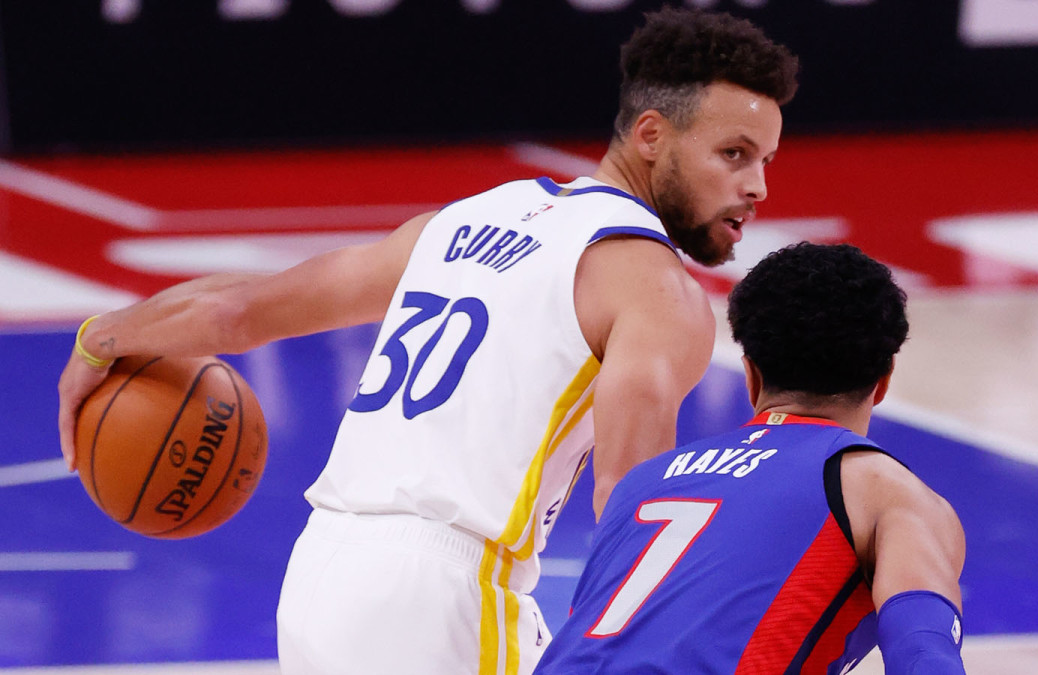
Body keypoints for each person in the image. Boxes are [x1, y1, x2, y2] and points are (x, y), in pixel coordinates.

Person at [56, 8, 800, 675]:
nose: (759, 184)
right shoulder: (658, 291)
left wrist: (101, 340)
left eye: (766, 158)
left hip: (320, 572)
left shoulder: (464, 218)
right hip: (443, 590)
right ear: (649, 136)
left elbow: (239, 311)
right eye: (734, 153)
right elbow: (632, 506)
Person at [533, 242, 967, 674]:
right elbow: (925, 656)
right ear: (884, 379)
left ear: (751, 375)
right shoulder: (888, 494)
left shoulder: (643, 482)